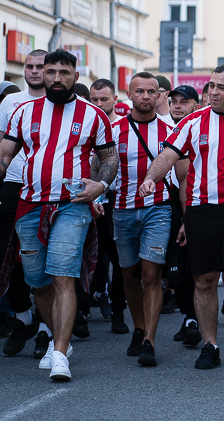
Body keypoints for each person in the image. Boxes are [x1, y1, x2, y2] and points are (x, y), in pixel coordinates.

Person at [139, 64, 224, 376]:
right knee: (203, 280)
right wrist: (151, 177)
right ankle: (210, 344)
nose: (213, 92)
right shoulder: (191, 122)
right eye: (211, 86)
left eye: (221, 87)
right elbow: (167, 156)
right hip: (201, 210)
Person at [1, 49, 118, 381]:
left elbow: (109, 159)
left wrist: (101, 186)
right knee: (37, 282)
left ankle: (59, 354)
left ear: (75, 77)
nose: (55, 78)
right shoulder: (23, 112)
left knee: (63, 275)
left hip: (72, 203)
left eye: (63, 72)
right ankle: (59, 342)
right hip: (30, 203)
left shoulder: (94, 115)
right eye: (50, 71)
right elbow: (5, 154)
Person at [111, 73, 183, 366]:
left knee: (151, 275)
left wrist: (185, 219)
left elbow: (183, 176)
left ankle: (149, 341)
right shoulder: (113, 129)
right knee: (129, 274)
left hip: (158, 209)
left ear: (160, 96)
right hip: (121, 209)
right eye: (139, 91)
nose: (145, 96)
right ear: (129, 94)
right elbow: (97, 167)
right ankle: (138, 326)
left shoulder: (172, 129)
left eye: (151, 91)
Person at [0, 50, 48, 358]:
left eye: (39, 67)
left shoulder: (61, 104)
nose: (32, 71)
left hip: (46, 188)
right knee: (9, 251)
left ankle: (47, 327)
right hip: (13, 184)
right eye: (29, 66)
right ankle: (22, 317)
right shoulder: (9, 102)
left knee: (46, 254)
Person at [88, 79, 130, 335]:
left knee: (120, 261)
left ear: (115, 99)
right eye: (95, 99)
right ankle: (81, 313)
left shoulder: (122, 127)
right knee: (88, 259)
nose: (100, 104)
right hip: (90, 199)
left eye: (105, 99)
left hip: (118, 200)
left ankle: (117, 312)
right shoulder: (86, 125)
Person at [165, 84, 201, 347]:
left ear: (195, 106)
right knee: (175, 267)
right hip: (165, 206)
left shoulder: (196, 130)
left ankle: (192, 318)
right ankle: (189, 316)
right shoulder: (166, 130)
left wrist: (186, 220)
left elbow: (186, 182)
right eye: (174, 101)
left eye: (184, 102)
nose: (177, 106)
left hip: (192, 207)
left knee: (192, 266)